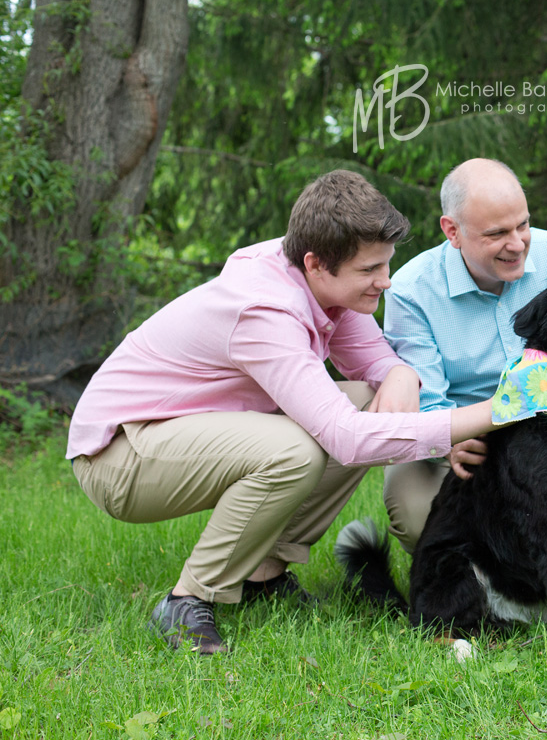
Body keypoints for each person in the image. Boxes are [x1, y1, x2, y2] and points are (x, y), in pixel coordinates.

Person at [67, 170, 499, 654]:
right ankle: (188, 600)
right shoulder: (266, 311)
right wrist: (492, 413)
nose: (386, 280)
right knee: (297, 450)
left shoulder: (322, 275)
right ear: (316, 263)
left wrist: (401, 376)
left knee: (359, 402)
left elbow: (375, 363)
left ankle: (263, 575)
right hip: (120, 455)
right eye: (369, 271)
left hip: (176, 433)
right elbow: (350, 440)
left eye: (386, 264)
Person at [381, 159, 547, 551]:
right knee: (418, 513)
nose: (518, 243)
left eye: (523, 225)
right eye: (497, 233)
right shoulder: (411, 291)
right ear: (452, 231)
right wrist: (450, 441)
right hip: (463, 435)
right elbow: (429, 400)